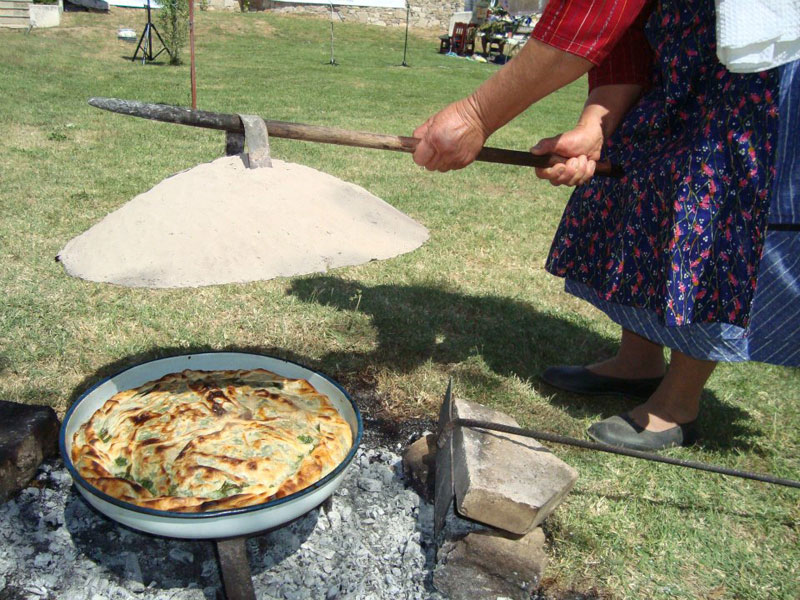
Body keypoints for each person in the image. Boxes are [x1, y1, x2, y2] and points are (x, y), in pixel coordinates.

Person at [413, 0, 800, 451]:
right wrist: (598, 120)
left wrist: (477, 114)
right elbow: (626, 30)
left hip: (759, 71)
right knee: (638, 191)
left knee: (710, 217)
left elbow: (598, 8)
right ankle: (639, 362)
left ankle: (679, 404)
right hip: (678, 62)